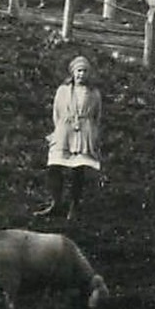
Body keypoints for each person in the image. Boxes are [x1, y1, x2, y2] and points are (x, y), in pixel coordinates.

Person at [36, 54, 102, 219]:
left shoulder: (94, 93)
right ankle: (56, 203)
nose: (81, 75)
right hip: (64, 131)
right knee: (54, 167)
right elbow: (56, 113)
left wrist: (91, 133)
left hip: (83, 133)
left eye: (85, 71)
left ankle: (74, 206)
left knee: (77, 170)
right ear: (73, 72)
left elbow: (96, 116)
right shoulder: (63, 90)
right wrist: (60, 129)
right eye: (79, 71)